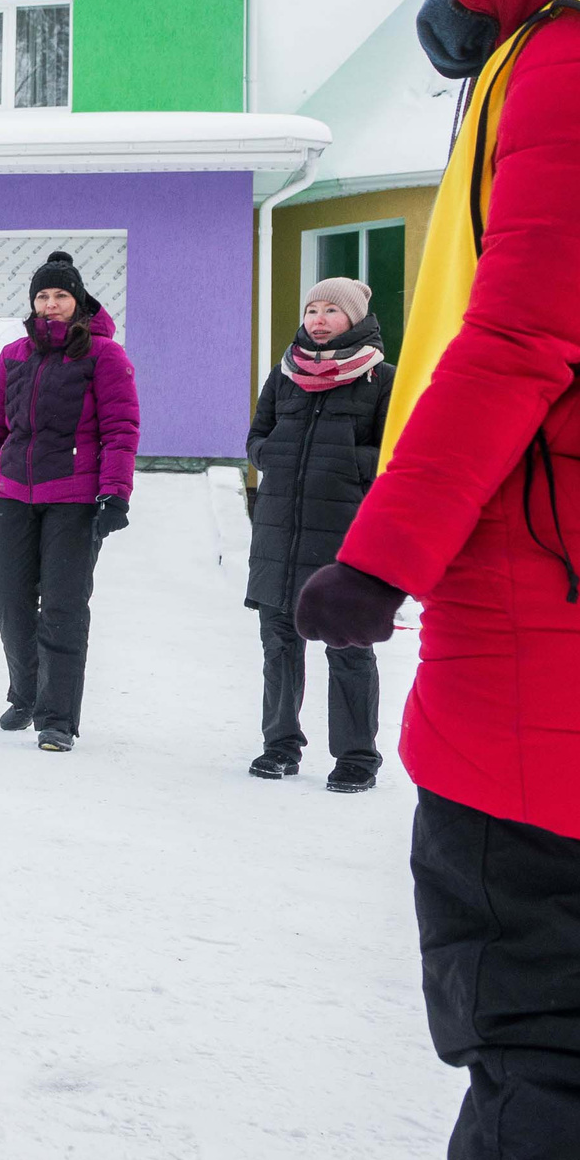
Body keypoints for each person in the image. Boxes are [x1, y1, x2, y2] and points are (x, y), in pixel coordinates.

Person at [297, 0, 580, 1160]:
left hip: (538, 645)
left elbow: (524, 332)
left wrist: (382, 556)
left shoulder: (567, 60)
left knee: (536, 1040)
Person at [0, 251, 139, 752]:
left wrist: (115, 493)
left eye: (61, 296)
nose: (51, 304)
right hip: (14, 493)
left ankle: (56, 717)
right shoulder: (15, 354)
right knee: (8, 596)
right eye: (43, 296)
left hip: (76, 499)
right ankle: (26, 692)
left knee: (62, 606)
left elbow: (121, 429)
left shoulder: (105, 356)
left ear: (78, 302)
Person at [243, 277, 392, 790]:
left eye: (331, 310)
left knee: (348, 644)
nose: (318, 319)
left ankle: (356, 757)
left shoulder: (381, 378)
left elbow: (393, 449)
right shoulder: (284, 374)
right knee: (279, 642)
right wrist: (272, 458)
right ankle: (279, 746)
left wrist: (349, 463)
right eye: (311, 309)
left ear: (354, 319)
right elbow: (257, 436)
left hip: (343, 533)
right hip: (278, 532)